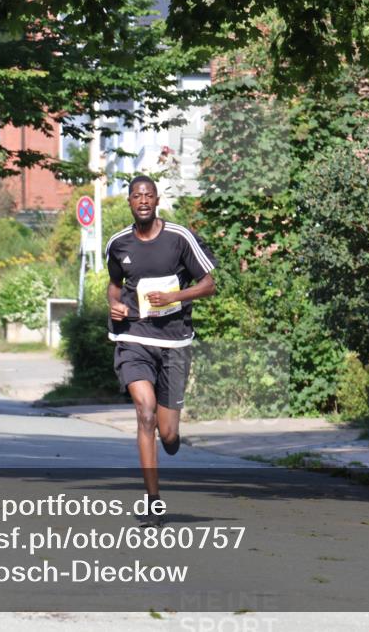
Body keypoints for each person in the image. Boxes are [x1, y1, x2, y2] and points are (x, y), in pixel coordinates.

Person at [106, 175, 216, 527]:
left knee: (167, 434)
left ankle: (171, 438)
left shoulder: (179, 238)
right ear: (129, 201)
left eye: (148, 195)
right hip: (133, 336)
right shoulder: (119, 243)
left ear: (156, 200)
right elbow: (113, 286)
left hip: (174, 341)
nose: (142, 201)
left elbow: (209, 284)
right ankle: (153, 501)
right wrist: (115, 307)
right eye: (136, 196)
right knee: (145, 411)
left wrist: (174, 297)